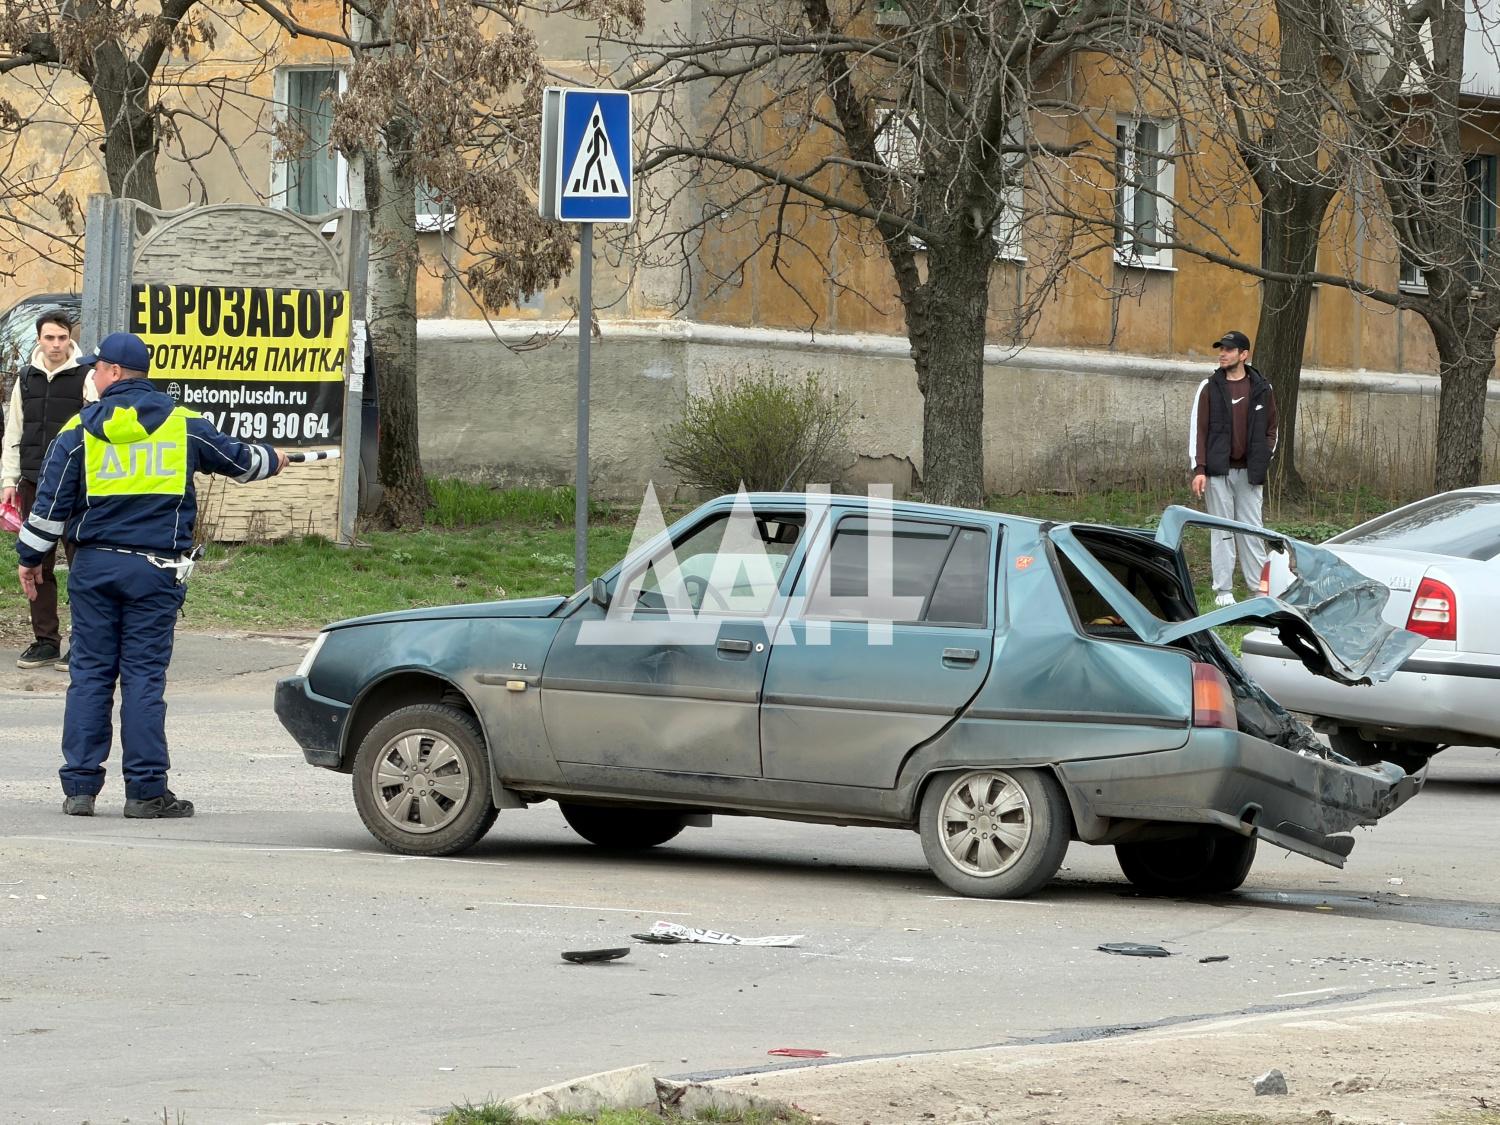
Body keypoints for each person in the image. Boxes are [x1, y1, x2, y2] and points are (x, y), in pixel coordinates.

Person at [16, 332, 288, 819]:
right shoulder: (183, 425)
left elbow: (49, 509)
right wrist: (275, 458)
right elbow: (241, 462)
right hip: (154, 570)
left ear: (116, 373)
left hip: (95, 568)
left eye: (97, 369)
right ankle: (145, 792)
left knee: (90, 676)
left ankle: (80, 789)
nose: (91, 376)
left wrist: (29, 559)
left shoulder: (78, 431)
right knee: (142, 677)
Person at [2, 308, 98, 669]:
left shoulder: (87, 377)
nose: (56, 345)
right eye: (49, 338)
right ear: (39, 339)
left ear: (69, 338)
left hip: (75, 486)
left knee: (81, 564)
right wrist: (8, 481)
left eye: (61, 338)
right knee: (35, 562)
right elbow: (14, 433)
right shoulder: (26, 378)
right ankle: (45, 640)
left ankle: (83, 642)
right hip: (33, 482)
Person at [1189, 330, 1279, 606]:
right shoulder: (1209, 386)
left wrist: (1263, 458)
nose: (1222, 354)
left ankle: (1257, 590)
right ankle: (1223, 591)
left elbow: (1272, 429)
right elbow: (1198, 429)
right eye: (1221, 349)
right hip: (1217, 472)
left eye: (1228, 350)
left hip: (1250, 473)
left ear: (1244, 354)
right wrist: (1199, 469)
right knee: (1222, 530)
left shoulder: (1262, 387)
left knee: (1253, 530)